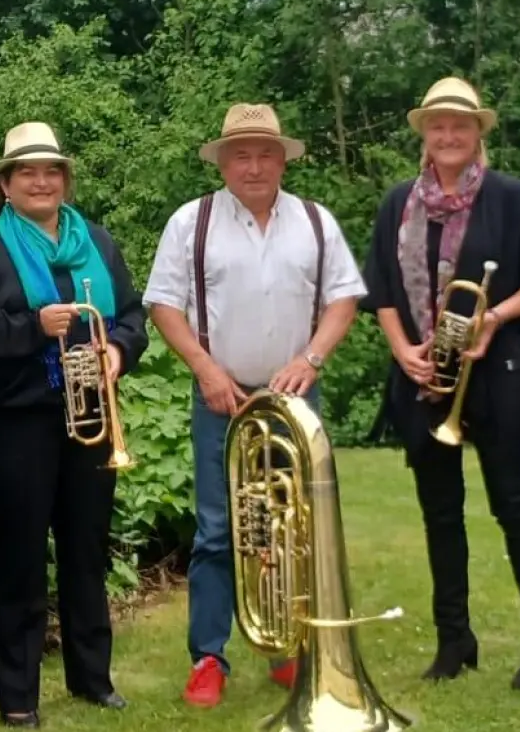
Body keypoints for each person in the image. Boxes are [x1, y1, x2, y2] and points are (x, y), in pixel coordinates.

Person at [143, 103, 368, 708]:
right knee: (221, 530)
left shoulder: (315, 222)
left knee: (296, 527)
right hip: (223, 395)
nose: (253, 165)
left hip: (296, 397)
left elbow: (343, 298)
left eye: (264, 153)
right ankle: (209, 657)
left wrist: (311, 359)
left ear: (282, 160)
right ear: (222, 162)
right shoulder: (191, 222)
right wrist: (205, 368)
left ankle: (290, 648)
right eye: (240, 154)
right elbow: (164, 304)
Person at [359, 76, 520, 691]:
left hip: (495, 369)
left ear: (478, 134)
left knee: (514, 508)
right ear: (424, 133)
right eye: (438, 125)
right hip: (424, 378)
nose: (449, 135)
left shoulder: (510, 198)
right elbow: (383, 293)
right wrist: (404, 353)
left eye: (461, 125)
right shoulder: (399, 203)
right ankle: (455, 641)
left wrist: (494, 317)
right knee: (440, 515)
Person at [0, 121, 149, 727]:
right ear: (6, 184)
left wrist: (118, 351)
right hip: (19, 419)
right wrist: (32, 327)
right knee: (19, 553)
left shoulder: (96, 240)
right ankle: (17, 694)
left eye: (51, 171)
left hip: (91, 414)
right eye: (27, 172)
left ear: (64, 180)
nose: (41, 181)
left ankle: (93, 679)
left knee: (86, 548)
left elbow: (133, 315)